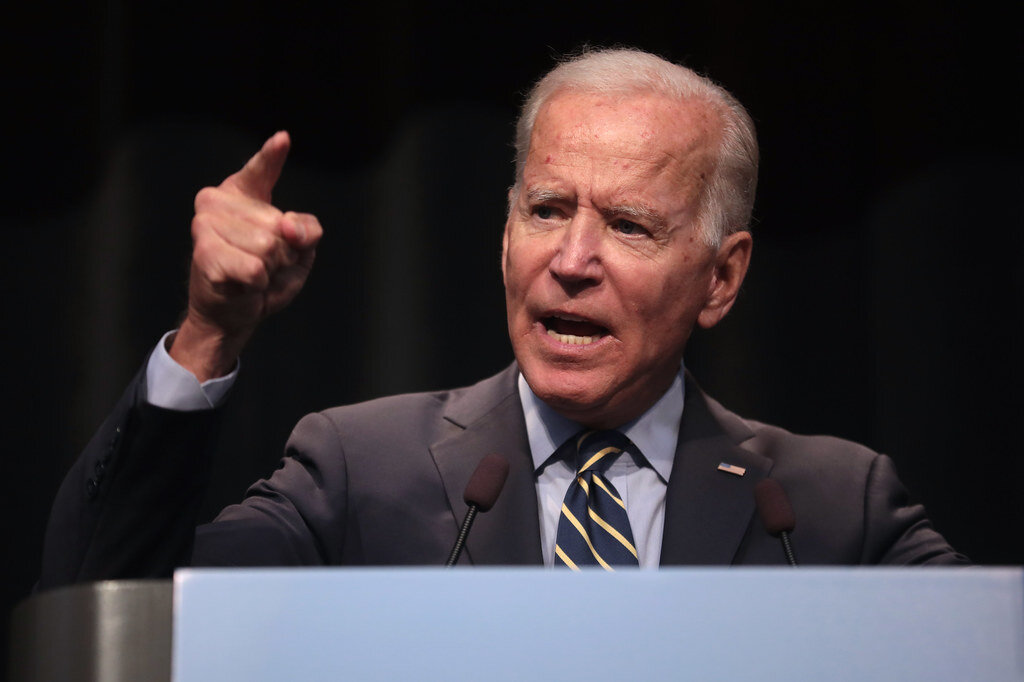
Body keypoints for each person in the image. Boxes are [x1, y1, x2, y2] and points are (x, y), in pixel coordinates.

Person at [39, 48, 964, 588]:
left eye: (630, 226)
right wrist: (206, 335)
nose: (571, 261)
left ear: (721, 280)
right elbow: (110, 607)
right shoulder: (362, 472)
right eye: (549, 210)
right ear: (505, 229)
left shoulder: (836, 509)